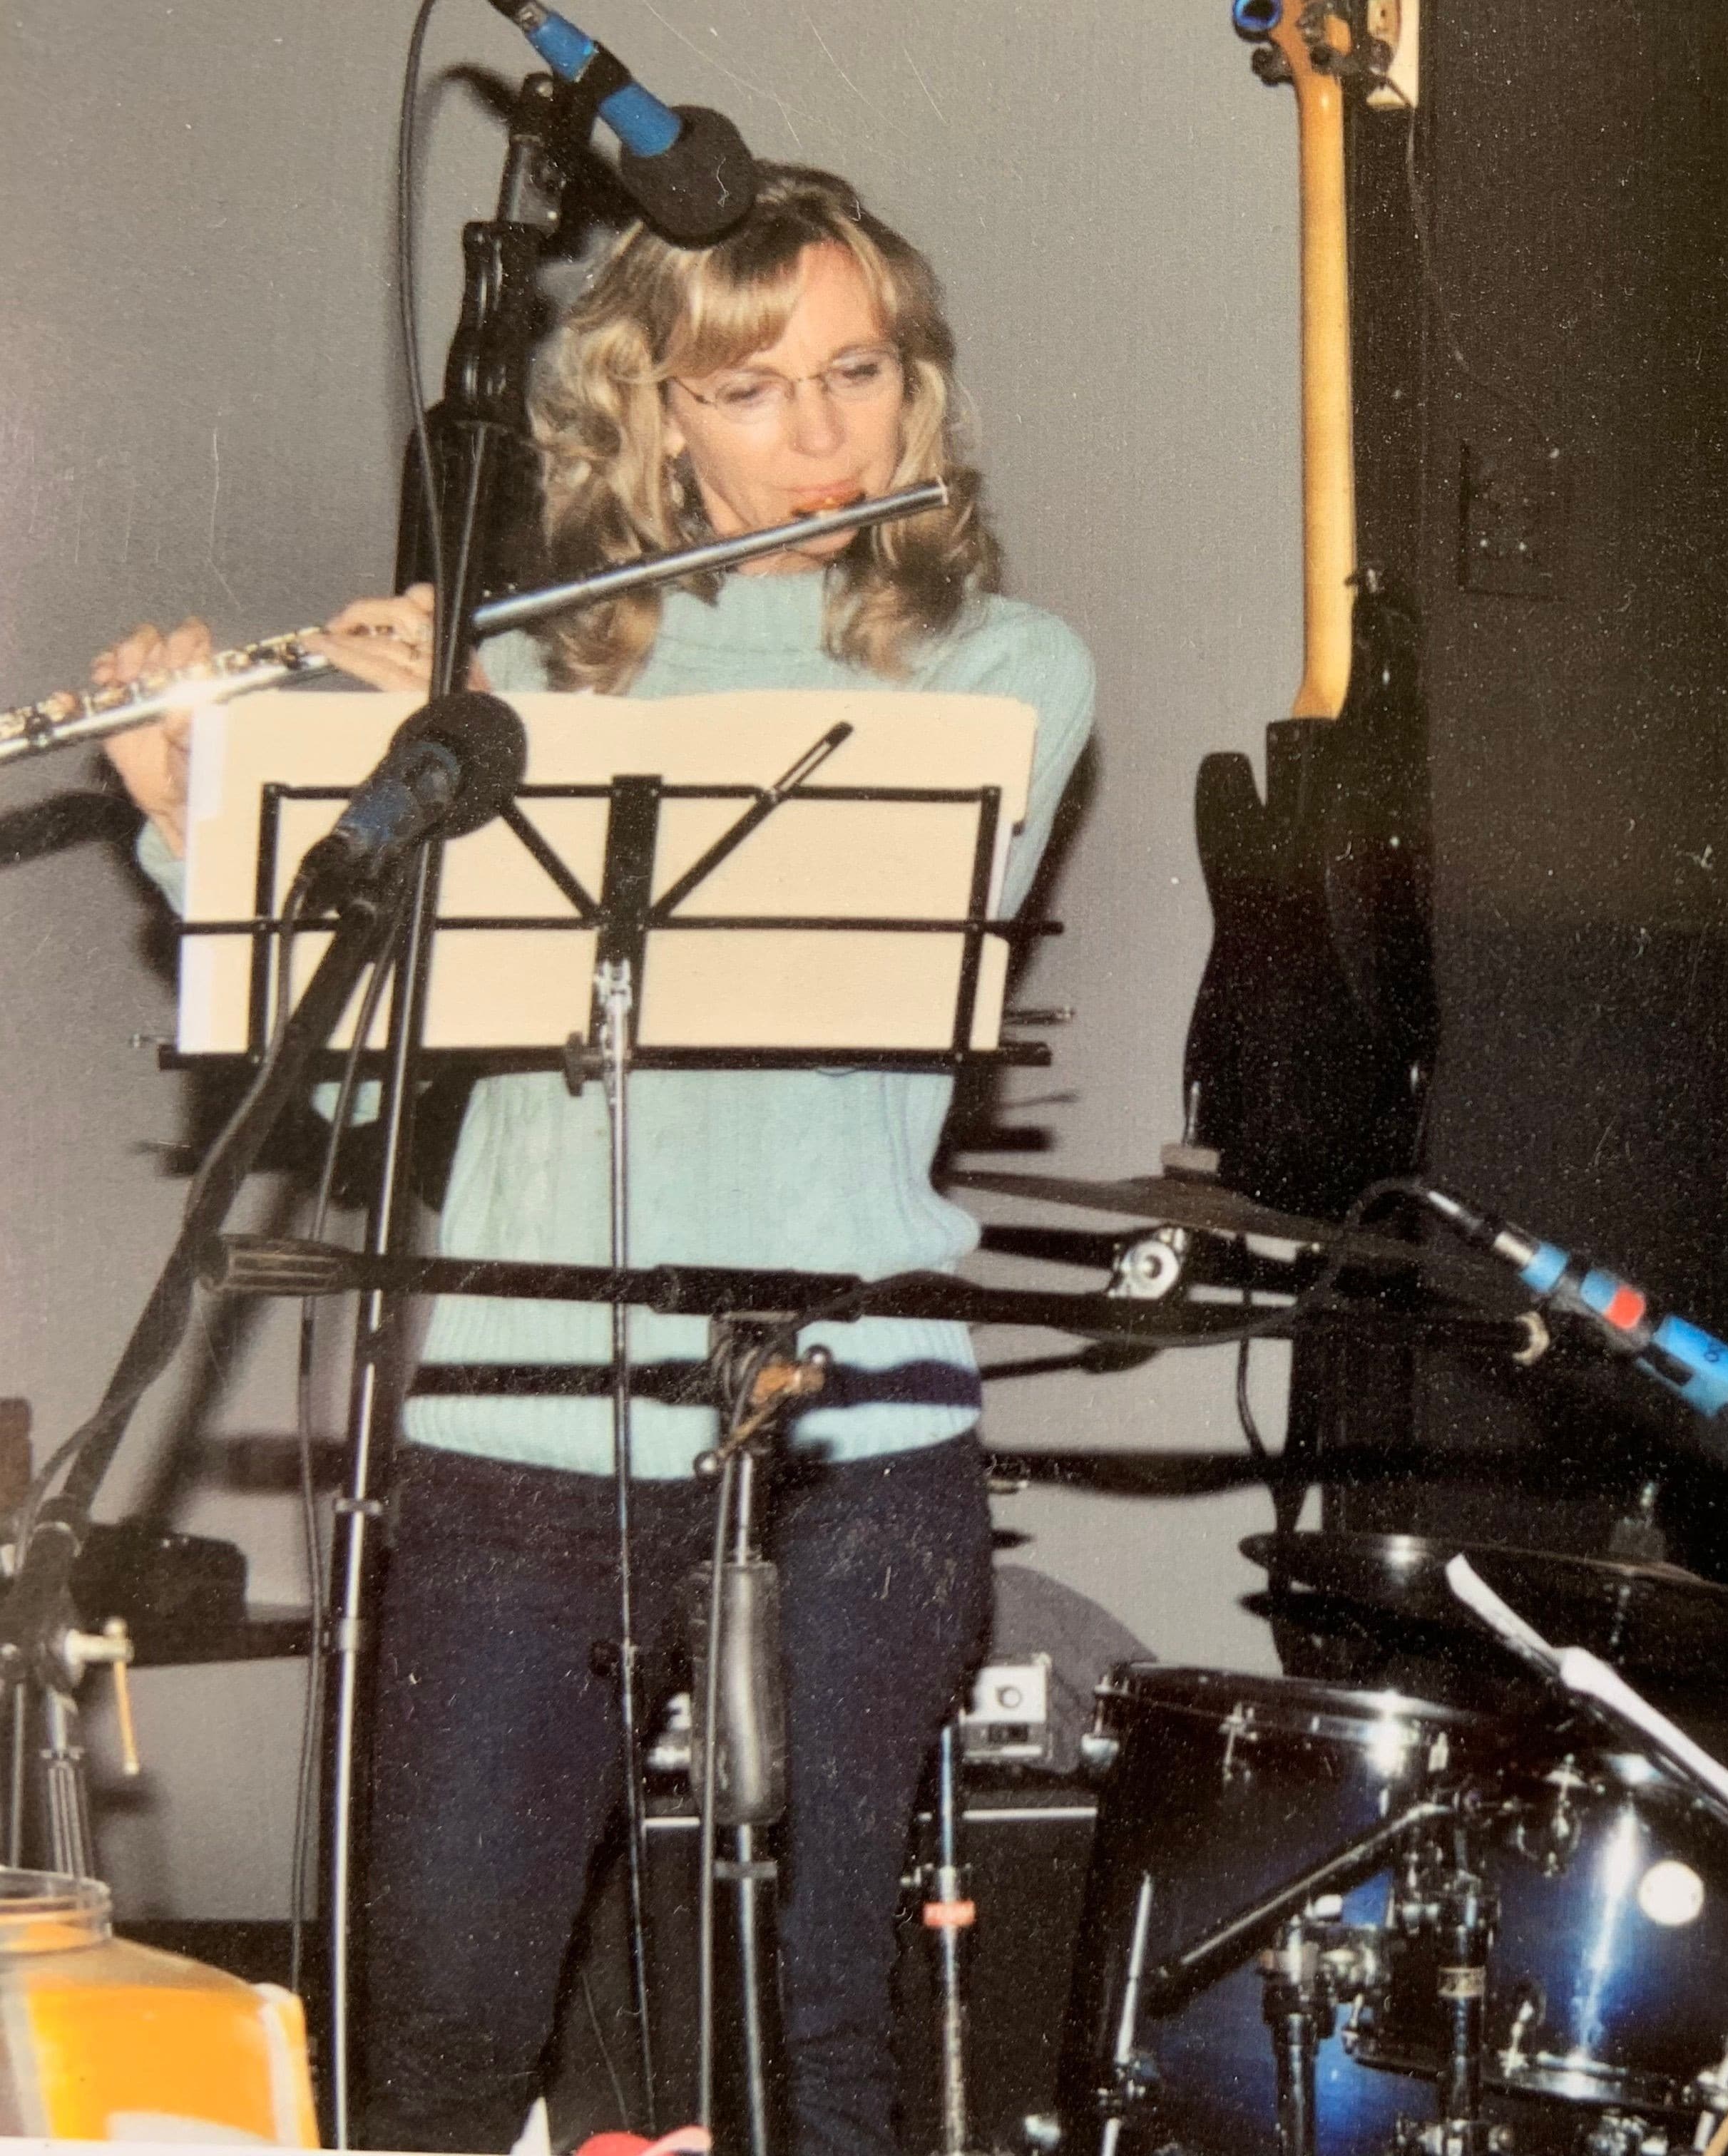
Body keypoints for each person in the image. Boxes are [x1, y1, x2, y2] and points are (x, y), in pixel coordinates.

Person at [95, 165, 1093, 2156]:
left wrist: (504, 702)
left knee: (812, 2051)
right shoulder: (518, 685)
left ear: (918, 387)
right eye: (750, 390)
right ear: (652, 419)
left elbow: (838, 976)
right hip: (518, 1423)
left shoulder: (1003, 672)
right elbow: (363, 1097)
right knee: (441, 2048)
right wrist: (209, 814)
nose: (823, 432)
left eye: (857, 370)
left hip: (849, 1431)